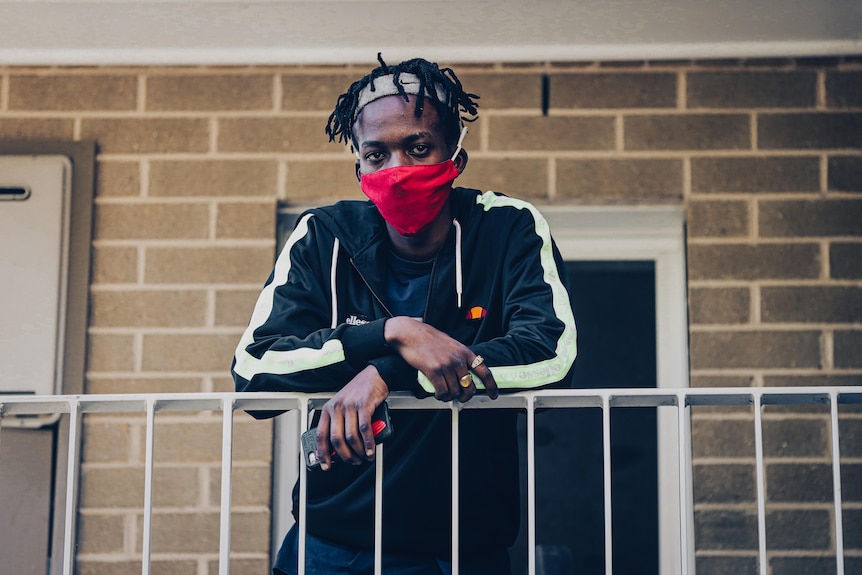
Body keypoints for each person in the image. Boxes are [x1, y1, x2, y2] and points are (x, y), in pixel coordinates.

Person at [231, 54, 577, 575]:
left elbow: (551, 357)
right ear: (360, 169)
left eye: (418, 148)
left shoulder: (508, 228)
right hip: (328, 548)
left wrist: (388, 372)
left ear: (455, 160)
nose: (398, 169)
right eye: (377, 154)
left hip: (461, 550)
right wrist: (393, 332)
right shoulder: (323, 236)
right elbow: (255, 373)